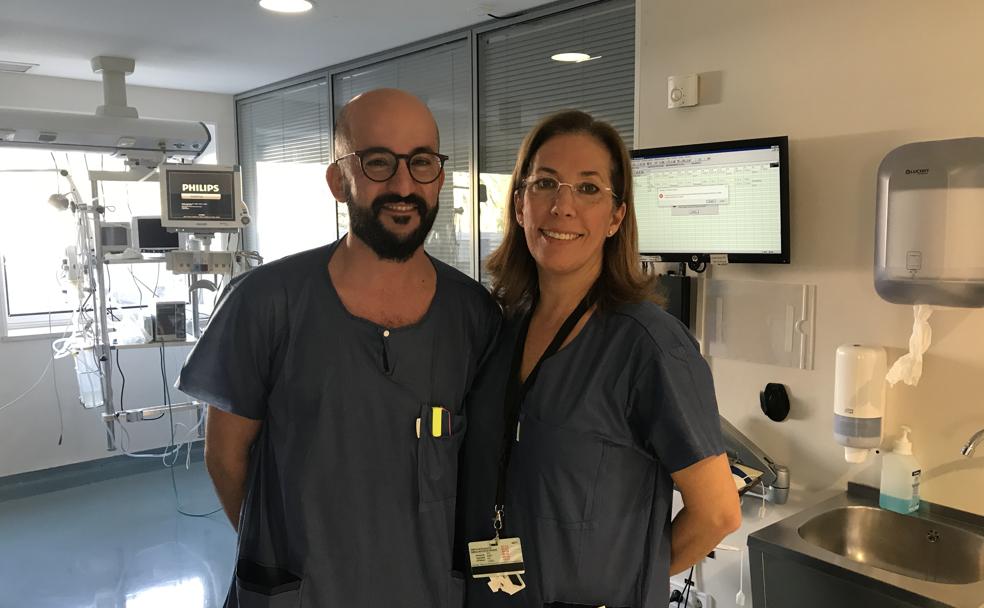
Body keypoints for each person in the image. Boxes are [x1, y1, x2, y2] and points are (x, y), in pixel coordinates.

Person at [177, 88, 500, 608]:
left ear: (439, 178)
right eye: (377, 162)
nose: (402, 185)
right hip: (299, 592)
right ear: (338, 180)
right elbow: (225, 457)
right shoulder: (266, 302)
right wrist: (286, 556)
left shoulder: (474, 315)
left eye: (420, 162)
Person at [456, 110, 741, 607]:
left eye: (588, 189)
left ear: (616, 217)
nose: (562, 206)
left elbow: (718, 514)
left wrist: (634, 577)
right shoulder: (498, 331)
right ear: (521, 204)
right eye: (545, 182)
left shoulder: (649, 347)